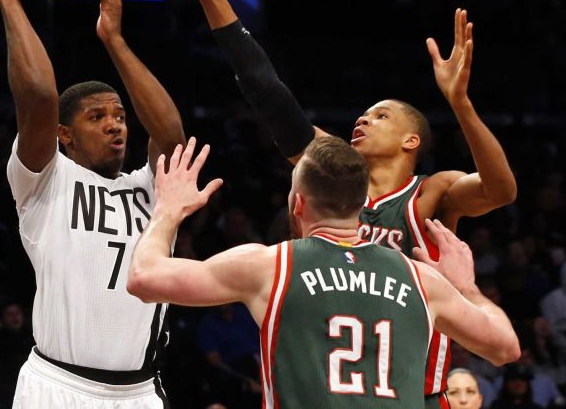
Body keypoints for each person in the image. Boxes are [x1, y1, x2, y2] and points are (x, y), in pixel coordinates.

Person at [171, 0, 517, 407]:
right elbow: (267, 92)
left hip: (415, 391)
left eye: (380, 115)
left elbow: (501, 189)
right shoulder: (329, 174)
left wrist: (460, 103)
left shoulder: (429, 195)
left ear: (411, 141)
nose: (363, 119)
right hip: (325, 385)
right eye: (364, 113)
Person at [128, 137, 519, 408]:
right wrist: (467, 286)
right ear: (359, 205)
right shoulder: (421, 279)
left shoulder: (269, 264)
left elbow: (144, 278)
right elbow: (505, 348)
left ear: (298, 204)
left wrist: (167, 210)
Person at [0, 0, 184, 405]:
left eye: (119, 115)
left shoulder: (152, 189)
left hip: (139, 392)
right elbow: (40, 96)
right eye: (96, 116)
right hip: (57, 386)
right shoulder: (45, 179)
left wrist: (114, 40)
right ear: (64, 134)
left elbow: (170, 133)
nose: (114, 123)